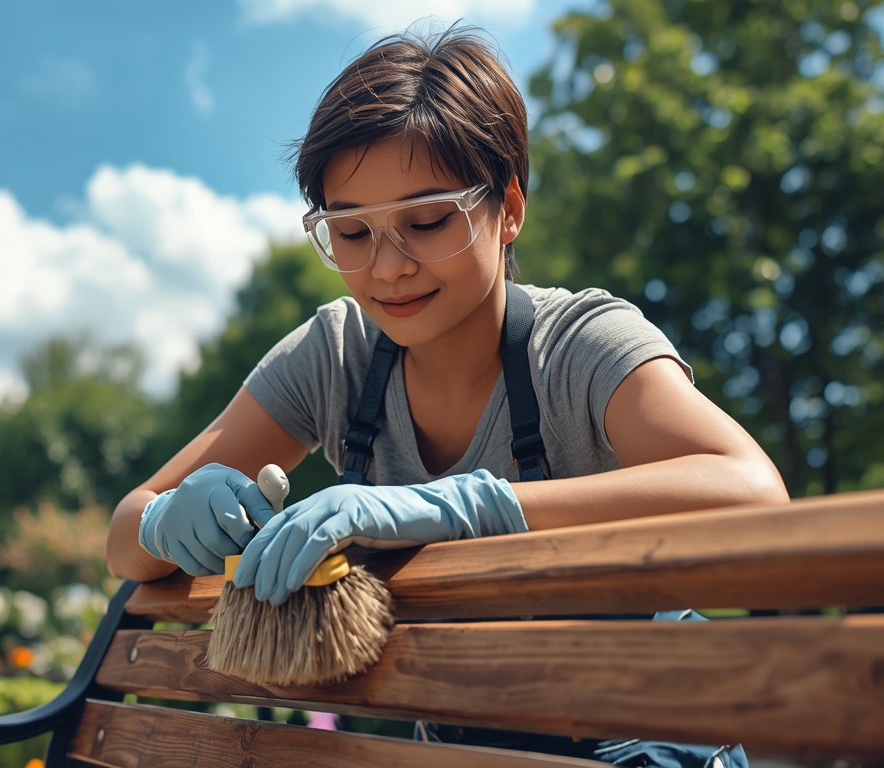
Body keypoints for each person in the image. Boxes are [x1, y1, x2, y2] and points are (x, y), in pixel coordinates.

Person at [106, 26, 787, 767]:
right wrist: (169, 519)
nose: (388, 267)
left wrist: (468, 507)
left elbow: (751, 494)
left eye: (427, 220)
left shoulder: (579, 344)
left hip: (649, 732)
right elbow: (124, 531)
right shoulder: (334, 356)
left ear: (509, 208)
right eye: (352, 233)